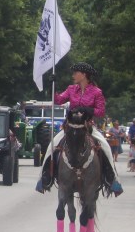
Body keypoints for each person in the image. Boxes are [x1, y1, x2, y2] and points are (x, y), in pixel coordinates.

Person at [36, 62, 123, 195]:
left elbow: (100, 112)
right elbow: (58, 100)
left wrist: (87, 109)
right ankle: (45, 178)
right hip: (70, 126)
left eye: (75, 73)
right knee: (51, 147)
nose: (73, 75)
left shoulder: (97, 92)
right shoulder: (71, 89)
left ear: (83, 75)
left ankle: (112, 179)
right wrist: (52, 87)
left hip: (87, 126)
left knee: (106, 148)